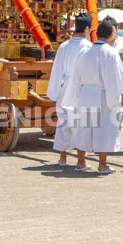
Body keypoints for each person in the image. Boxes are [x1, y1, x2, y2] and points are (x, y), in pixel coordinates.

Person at [67, 20, 123, 174]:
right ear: (112, 34)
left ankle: (81, 161)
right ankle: (102, 164)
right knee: (104, 129)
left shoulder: (84, 51)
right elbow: (117, 76)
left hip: (86, 93)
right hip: (104, 94)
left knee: (83, 128)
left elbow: (76, 76)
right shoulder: (111, 52)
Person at [47, 13, 92, 166]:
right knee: (82, 124)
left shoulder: (64, 46)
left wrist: (54, 92)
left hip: (65, 88)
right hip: (82, 89)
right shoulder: (89, 48)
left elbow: (56, 70)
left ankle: (63, 157)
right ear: (87, 28)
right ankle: (81, 160)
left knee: (63, 124)